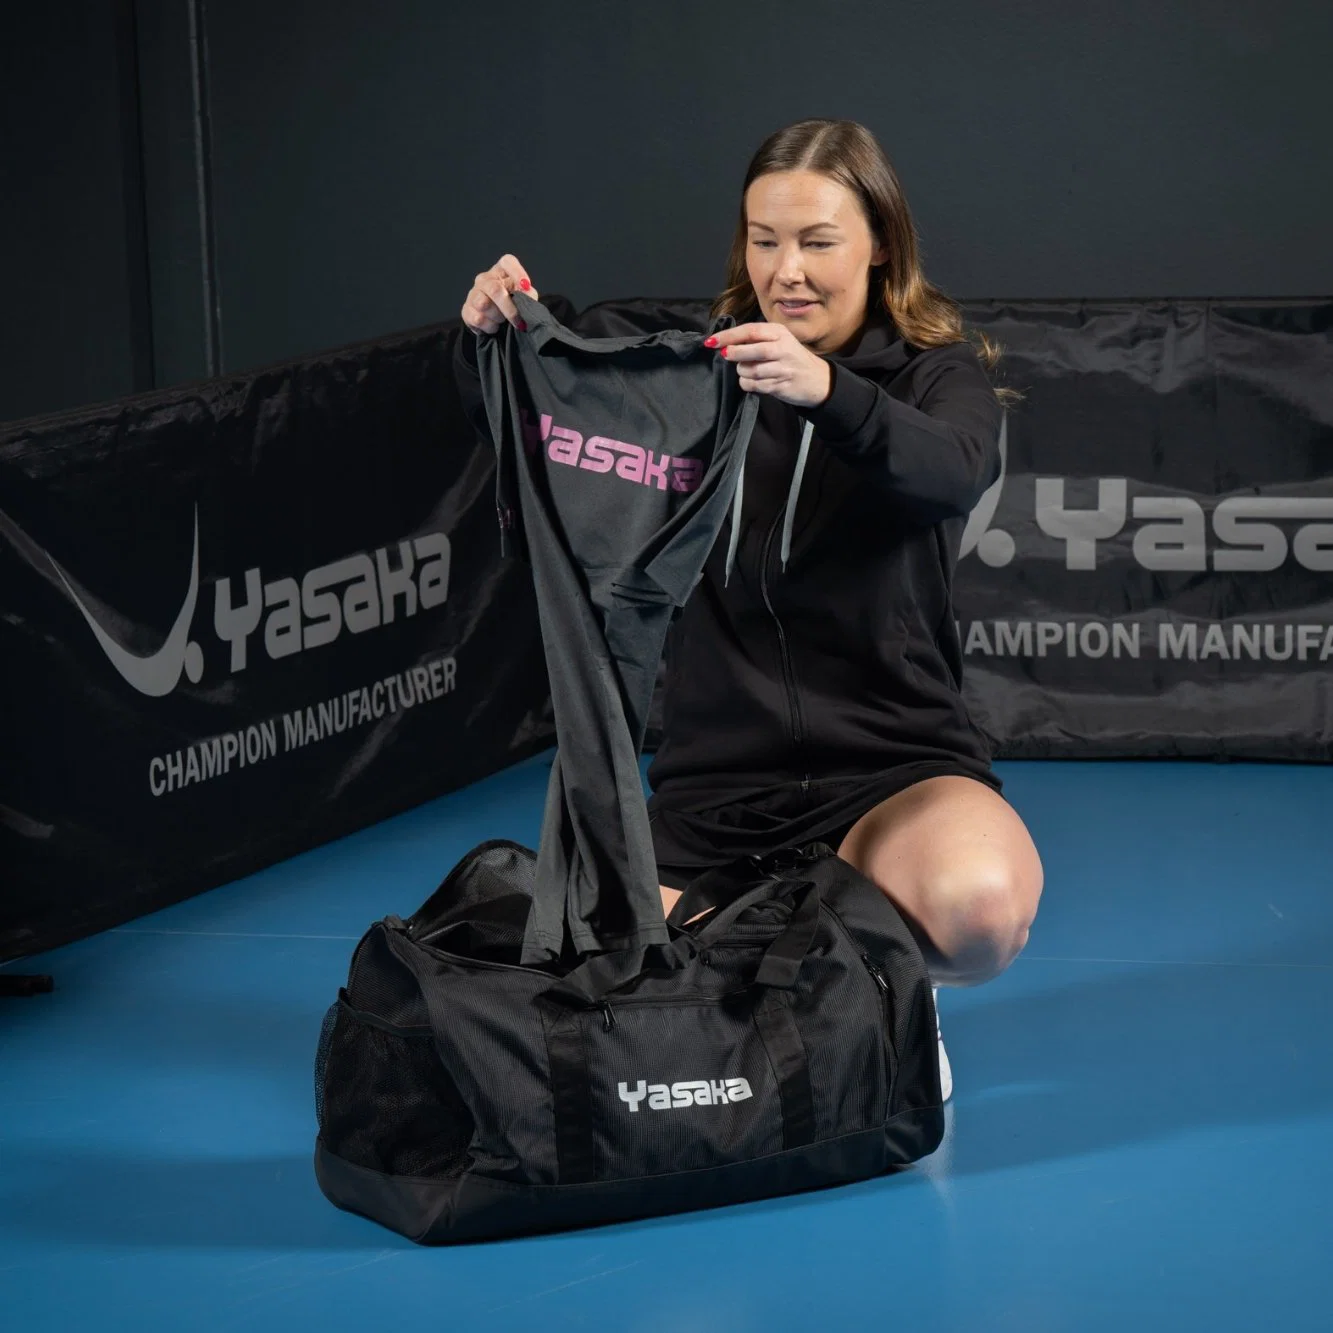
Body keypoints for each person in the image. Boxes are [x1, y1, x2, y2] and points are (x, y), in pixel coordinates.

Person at [455, 118, 1043, 1100]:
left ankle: (894, 997)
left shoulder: (932, 375)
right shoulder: (699, 383)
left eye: (817, 241)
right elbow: (551, 425)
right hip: (714, 795)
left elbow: (949, 470)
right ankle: (841, 994)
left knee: (973, 907)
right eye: (764, 240)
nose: (786, 270)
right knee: (588, 962)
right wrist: (494, 336)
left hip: (890, 773)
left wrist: (828, 392)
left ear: (879, 245)